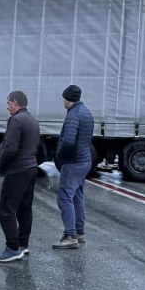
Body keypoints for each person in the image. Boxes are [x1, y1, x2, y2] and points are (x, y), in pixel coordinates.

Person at [0, 90, 41, 262]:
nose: (7, 106)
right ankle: (23, 244)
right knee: (24, 209)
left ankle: (12, 248)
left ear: (14, 102)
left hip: (17, 170)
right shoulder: (32, 120)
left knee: (6, 210)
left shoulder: (16, 120)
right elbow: (37, 146)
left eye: (8, 103)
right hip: (30, 169)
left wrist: (0, 166)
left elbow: (10, 148)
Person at [53, 84, 94, 249]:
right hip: (84, 160)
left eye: (63, 97)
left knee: (64, 197)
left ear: (67, 98)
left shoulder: (73, 115)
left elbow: (68, 141)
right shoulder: (86, 112)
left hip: (73, 162)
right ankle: (79, 231)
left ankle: (70, 236)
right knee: (77, 196)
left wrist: (60, 157)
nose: (62, 100)